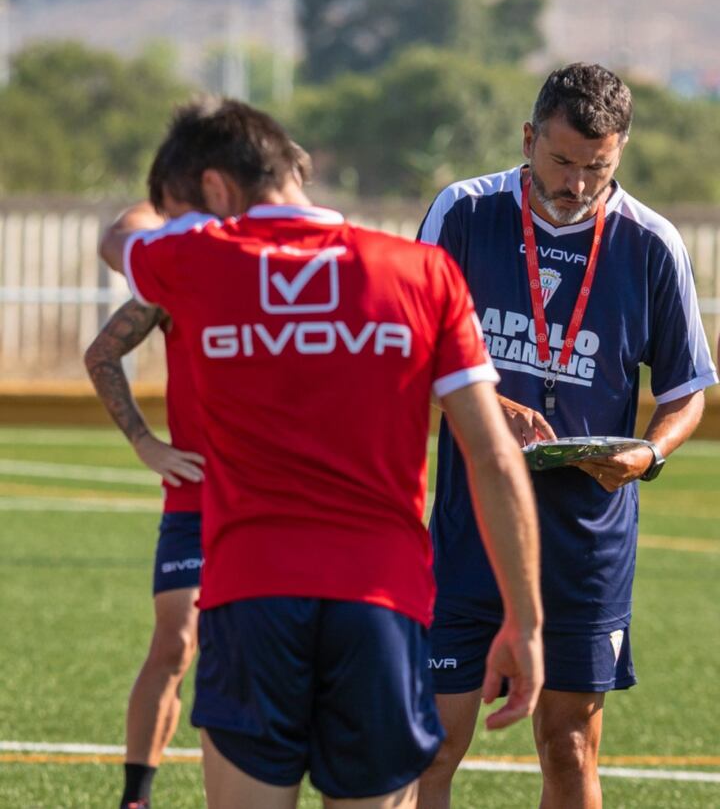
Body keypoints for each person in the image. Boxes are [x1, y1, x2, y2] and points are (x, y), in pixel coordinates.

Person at [99, 99, 544, 809]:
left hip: (251, 598)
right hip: (384, 601)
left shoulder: (193, 262)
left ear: (215, 192)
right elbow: (493, 457)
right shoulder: (423, 274)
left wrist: (183, 214)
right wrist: (525, 619)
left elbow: (121, 232)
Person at [417, 62, 718, 809]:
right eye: (561, 162)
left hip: (587, 541)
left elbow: (687, 392)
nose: (578, 183)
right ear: (528, 139)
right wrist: (486, 404)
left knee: (570, 745)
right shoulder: (462, 212)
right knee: (430, 744)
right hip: (469, 529)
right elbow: (409, 347)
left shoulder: (652, 243)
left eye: (598, 167)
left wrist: (648, 452)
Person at [86, 102, 316, 809]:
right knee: (179, 637)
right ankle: (137, 794)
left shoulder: (307, 272)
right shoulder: (188, 273)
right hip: (198, 492)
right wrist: (148, 444)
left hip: (281, 497)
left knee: (282, 652)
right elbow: (102, 352)